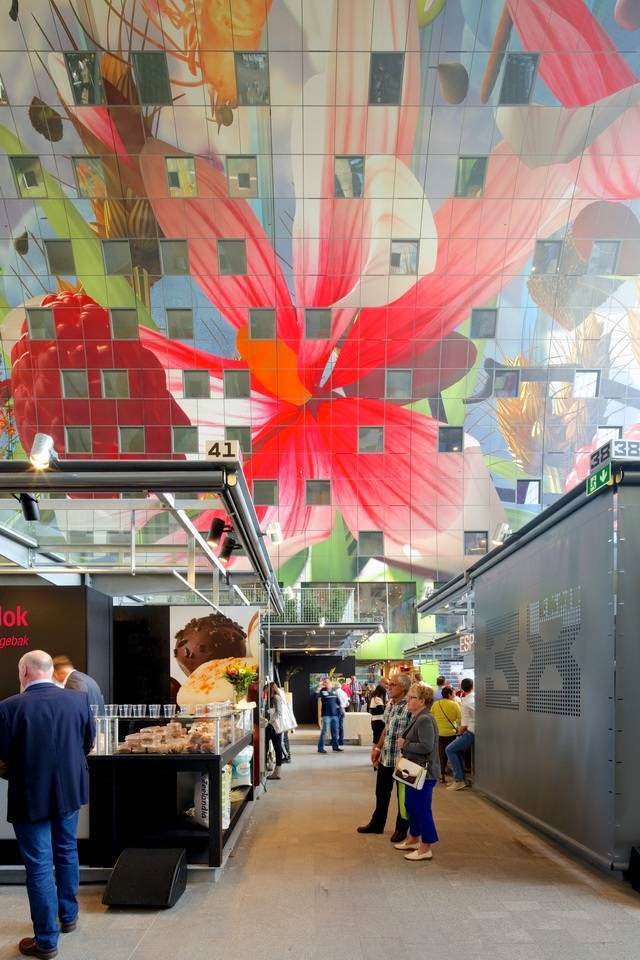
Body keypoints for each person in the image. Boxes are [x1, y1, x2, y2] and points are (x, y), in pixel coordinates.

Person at [0, 650, 95, 960]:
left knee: (39, 864)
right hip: (69, 791)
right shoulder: (77, 700)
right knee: (66, 850)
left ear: (25, 672)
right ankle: (68, 916)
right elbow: (87, 743)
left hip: (30, 796)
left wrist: (15, 773)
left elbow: (1, 758)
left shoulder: (8, 708)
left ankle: (46, 940)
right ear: (50, 671)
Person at [357, 672, 411, 842]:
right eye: (389, 684)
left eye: (393, 684)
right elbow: (386, 729)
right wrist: (377, 748)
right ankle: (377, 824)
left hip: (404, 760)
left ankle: (402, 829)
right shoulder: (390, 704)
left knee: (403, 797)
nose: (389, 686)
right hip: (387, 757)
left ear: (403, 688)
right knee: (381, 793)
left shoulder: (410, 706)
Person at [395, 682, 440, 861]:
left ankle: (425, 846)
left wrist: (405, 744)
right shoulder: (417, 717)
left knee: (421, 809)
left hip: (423, 773)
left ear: (422, 701)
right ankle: (413, 838)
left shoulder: (424, 719)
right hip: (413, 770)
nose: (408, 699)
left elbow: (426, 746)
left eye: (412, 697)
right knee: (411, 806)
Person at [446, 677, 475, 791]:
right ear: (473, 686)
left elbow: (464, 725)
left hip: (471, 732)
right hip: (478, 731)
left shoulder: (465, 702)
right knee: (455, 750)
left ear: (461, 688)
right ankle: (461, 778)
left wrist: (458, 732)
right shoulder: (475, 697)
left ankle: (459, 780)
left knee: (449, 749)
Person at [431, 685, 461, 784]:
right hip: (451, 733)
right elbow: (460, 718)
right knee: (453, 753)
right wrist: (457, 726)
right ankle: (456, 776)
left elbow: (432, 717)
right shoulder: (455, 704)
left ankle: (442, 776)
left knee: (441, 755)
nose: (454, 695)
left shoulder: (436, 704)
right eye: (453, 693)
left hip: (439, 734)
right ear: (449, 694)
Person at [264, 682, 286, 780]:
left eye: (266, 689)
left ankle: (277, 772)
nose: (264, 692)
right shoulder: (270, 698)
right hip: (272, 726)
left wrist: (269, 721)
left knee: (277, 748)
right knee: (271, 747)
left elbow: (279, 713)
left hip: (275, 727)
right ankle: (270, 767)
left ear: (270, 689)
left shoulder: (276, 698)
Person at [315, 678, 343, 753]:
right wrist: (319, 687)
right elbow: (316, 696)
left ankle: (335, 747)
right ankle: (320, 748)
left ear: (330, 683)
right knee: (324, 731)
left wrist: (342, 709)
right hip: (326, 715)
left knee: (335, 731)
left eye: (327, 682)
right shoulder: (322, 690)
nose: (326, 683)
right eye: (324, 682)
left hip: (335, 715)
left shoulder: (334, 691)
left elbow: (338, 701)